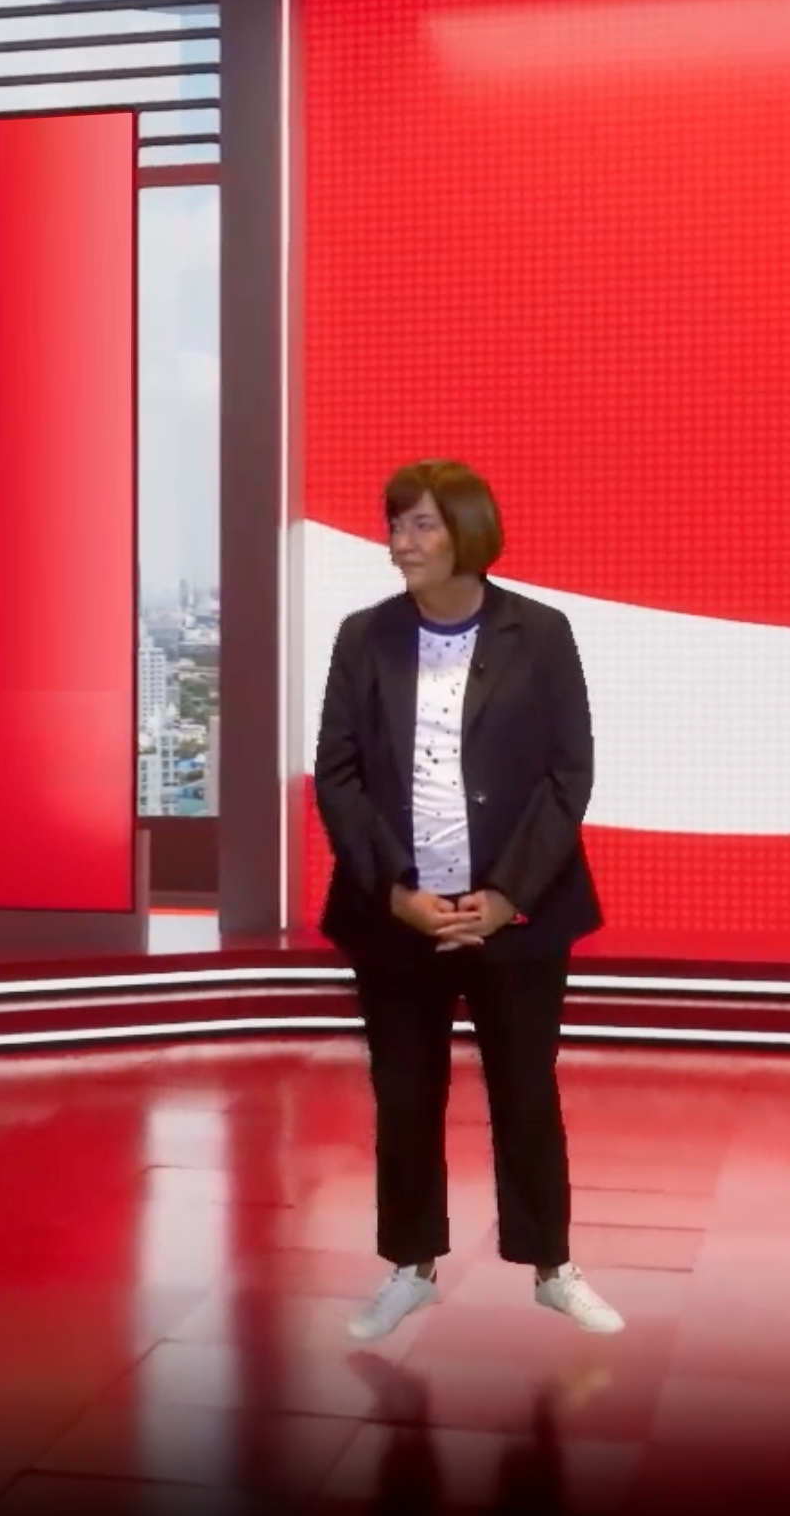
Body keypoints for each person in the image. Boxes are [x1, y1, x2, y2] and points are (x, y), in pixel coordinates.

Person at [313, 458, 623, 1344]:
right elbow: (338, 776)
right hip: (398, 919)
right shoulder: (362, 637)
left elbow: (570, 776)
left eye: (420, 526)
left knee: (525, 1092)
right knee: (404, 1095)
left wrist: (505, 896)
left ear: (467, 534)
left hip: (514, 917)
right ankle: (409, 1266)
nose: (400, 542)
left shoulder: (543, 633)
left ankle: (553, 1265)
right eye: (396, 524)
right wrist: (397, 892)